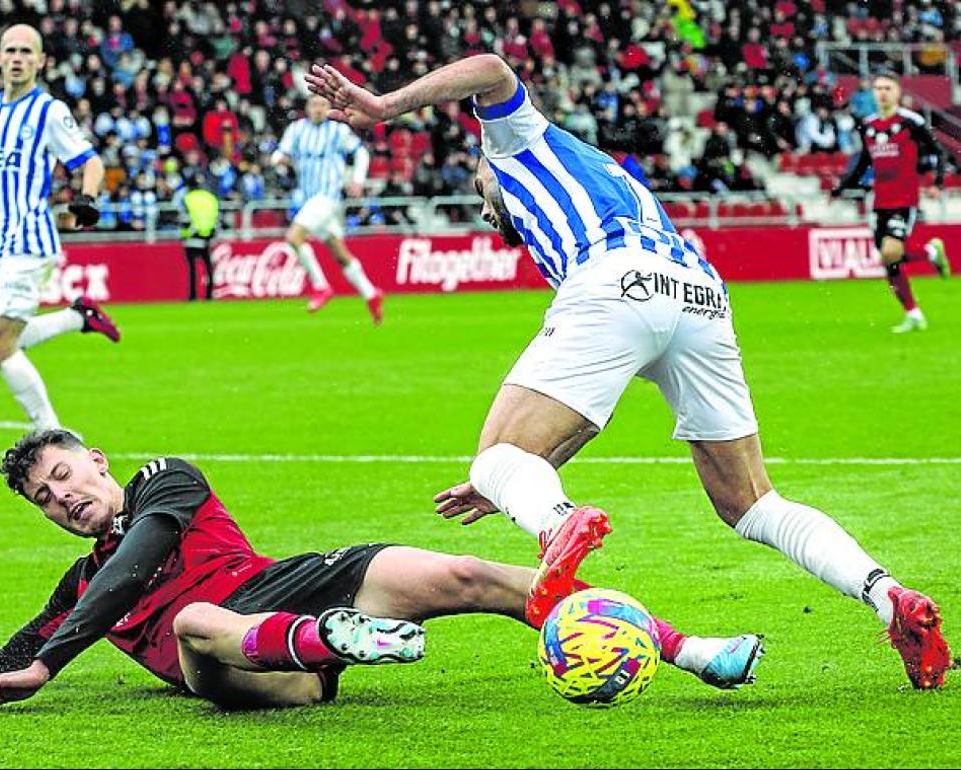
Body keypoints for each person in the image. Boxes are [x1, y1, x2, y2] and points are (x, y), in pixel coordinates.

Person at [306, 55, 950, 689]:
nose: (484, 208)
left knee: (493, 454)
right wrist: (526, 478)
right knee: (752, 504)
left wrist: (385, 106)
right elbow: (584, 411)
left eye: (480, 192)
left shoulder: (514, 141)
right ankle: (889, 596)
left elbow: (491, 66)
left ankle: (557, 523)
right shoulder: (607, 178)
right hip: (700, 292)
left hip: (614, 280)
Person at [0, 429, 764, 712]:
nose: (66, 500)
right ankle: (333, 643)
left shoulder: (162, 481)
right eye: (47, 502)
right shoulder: (79, 594)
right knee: (191, 626)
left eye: (65, 478)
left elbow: (135, 557)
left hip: (293, 588)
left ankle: (689, 650)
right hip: (251, 668)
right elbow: (1, 654)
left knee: (478, 572)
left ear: (97, 460)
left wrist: (55, 660)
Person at [0, 24, 121, 430]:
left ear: (40, 61)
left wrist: (87, 197)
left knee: (0, 345)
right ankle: (78, 317)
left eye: (26, 52)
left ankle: (53, 433)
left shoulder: (49, 111)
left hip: (31, 241)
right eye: (10, 51)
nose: (17, 58)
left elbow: (90, 161)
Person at [832, 71, 950, 333]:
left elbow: (937, 151)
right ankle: (914, 312)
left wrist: (937, 182)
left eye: (887, 88)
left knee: (890, 252)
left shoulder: (911, 121)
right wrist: (841, 187)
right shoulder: (869, 125)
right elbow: (864, 161)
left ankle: (929, 258)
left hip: (904, 199)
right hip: (879, 201)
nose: (882, 93)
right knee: (890, 261)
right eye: (878, 88)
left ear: (897, 92)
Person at [271, 95, 384, 325]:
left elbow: (361, 152)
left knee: (294, 237)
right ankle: (371, 294)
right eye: (314, 105)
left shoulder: (337, 131)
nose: (319, 110)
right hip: (309, 199)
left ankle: (321, 286)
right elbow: (278, 155)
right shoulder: (296, 129)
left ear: (329, 109)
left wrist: (358, 180)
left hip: (328, 198)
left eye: (323, 105)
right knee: (339, 254)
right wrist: (280, 160)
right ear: (307, 108)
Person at [176, 168, 219, 301]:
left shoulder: (188, 198)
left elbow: (184, 218)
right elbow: (216, 217)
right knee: (208, 267)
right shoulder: (210, 198)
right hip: (207, 236)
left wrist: (184, 234)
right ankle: (209, 294)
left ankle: (193, 295)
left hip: (191, 237)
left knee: (193, 268)